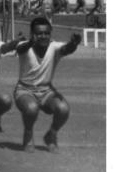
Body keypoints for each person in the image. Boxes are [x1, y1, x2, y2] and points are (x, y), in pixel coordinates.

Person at [11, 18, 81, 152]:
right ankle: (28, 133)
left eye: (46, 33)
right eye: (39, 33)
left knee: (63, 109)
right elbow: (20, 50)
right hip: (25, 90)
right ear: (32, 33)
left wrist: (74, 44)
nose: (43, 36)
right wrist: (31, 41)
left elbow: (66, 49)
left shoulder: (54, 47)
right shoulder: (25, 46)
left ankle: (51, 134)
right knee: (31, 108)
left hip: (46, 90)